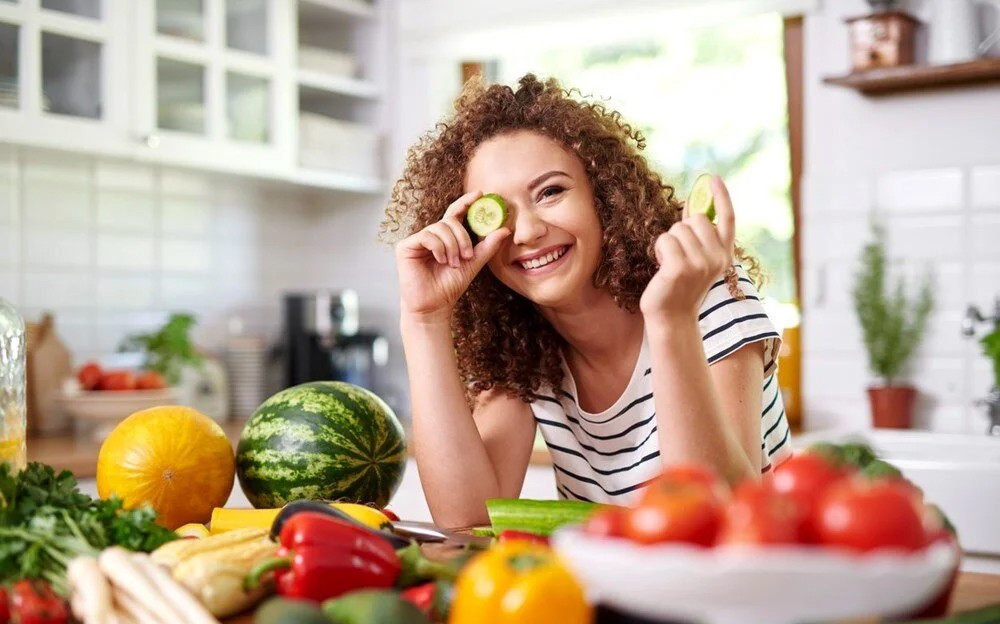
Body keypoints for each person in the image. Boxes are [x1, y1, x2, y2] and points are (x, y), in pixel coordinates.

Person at [380, 74, 792, 528]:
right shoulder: (524, 351)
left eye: (551, 192)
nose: (528, 232)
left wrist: (671, 320)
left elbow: (718, 514)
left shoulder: (706, 298)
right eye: (499, 212)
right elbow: (467, 519)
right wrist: (424, 320)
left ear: (604, 196)